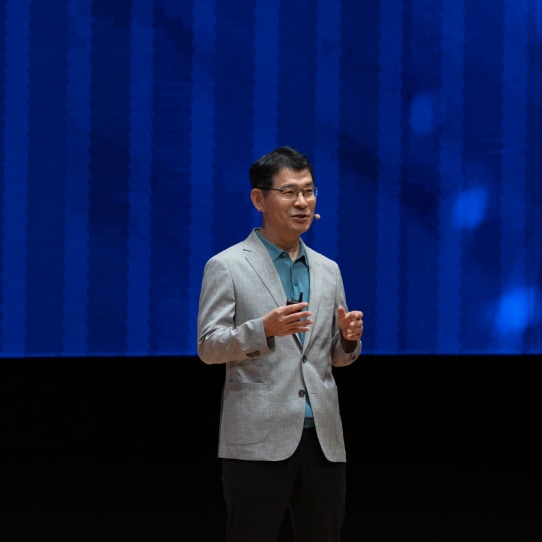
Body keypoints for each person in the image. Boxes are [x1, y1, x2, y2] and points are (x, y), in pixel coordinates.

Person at [197, 145, 364, 542]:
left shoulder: (328, 269)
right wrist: (263, 329)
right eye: (289, 192)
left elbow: (335, 360)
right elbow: (209, 346)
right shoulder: (228, 265)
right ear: (259, 198)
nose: (302, 202)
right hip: (257, 439)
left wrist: (347, 339)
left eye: (309, 191)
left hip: (323, 439)